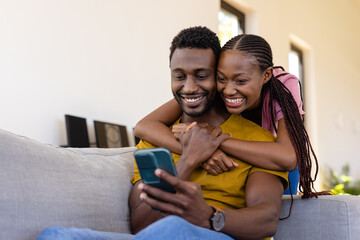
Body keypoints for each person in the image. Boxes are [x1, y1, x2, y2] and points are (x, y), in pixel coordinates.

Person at [129, 26, 288, 240]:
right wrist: (189, 158)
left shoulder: (259, 142)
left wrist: (209, 217)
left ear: (218, 75)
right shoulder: (156, 139)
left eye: (201, 76)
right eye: (179, 76)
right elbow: (141, 228)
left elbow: (266, 220)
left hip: (219, 234)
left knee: (175, 230)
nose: (189, 87)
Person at [134, 32, 319, 199]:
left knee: (279, 212)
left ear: (266, 75)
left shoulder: (284, 87)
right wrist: (202, 150)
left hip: (275, 157)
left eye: (240, 81)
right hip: (238, 160)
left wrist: (212, 140)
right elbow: (144, 126)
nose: (229, 90)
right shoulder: (212, 86)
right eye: (222, 78)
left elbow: (287, 157)